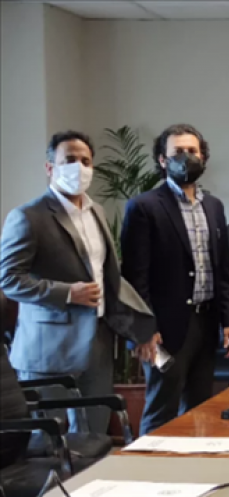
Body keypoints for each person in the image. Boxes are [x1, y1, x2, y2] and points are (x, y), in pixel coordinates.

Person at [0, 131, 156, 434]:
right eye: (70, 160)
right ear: (50, 168)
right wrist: (68, 293)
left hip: (97, 341)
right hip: (49, 349)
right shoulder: (28, 216)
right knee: (50, 442)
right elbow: (9, 279)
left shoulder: (97, 211)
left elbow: (109, 278)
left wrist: (140, 328)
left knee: (94, 437)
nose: (79, 167)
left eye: (86, 161)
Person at [121, 123, 229, 435]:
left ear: (203, 158)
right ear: (162, 160)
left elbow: (223, 269)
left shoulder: (213, 206)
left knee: (200, 410)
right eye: (177, 152)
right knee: (162, 409)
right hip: (163, 331)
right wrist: (144, 331)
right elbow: (134, 277)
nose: (186, 157)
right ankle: (150, 465)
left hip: (206, 324)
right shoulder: (144, 207)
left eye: (192, 151)